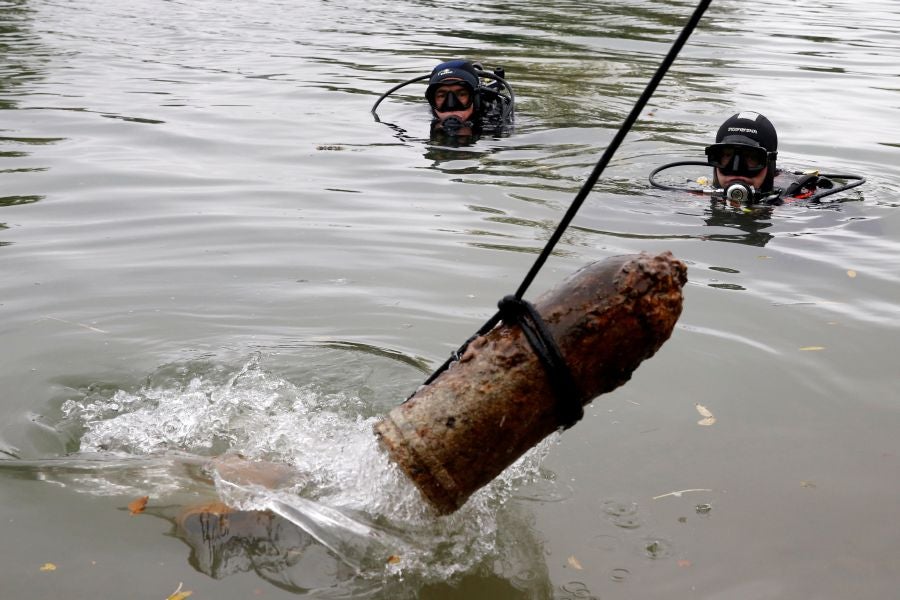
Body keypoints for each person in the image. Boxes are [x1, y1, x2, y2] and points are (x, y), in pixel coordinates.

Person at [650, 111, 865, 205]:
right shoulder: (695, 194)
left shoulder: (802, 199)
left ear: (770, 164)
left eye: (751, 159)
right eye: (724, 158)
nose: (736, 171)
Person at [424, 60, 514, 137]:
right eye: (442, 96)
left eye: (461, 94)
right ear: (432, 101)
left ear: (475, 99)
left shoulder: (495, 115)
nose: (451, 105)